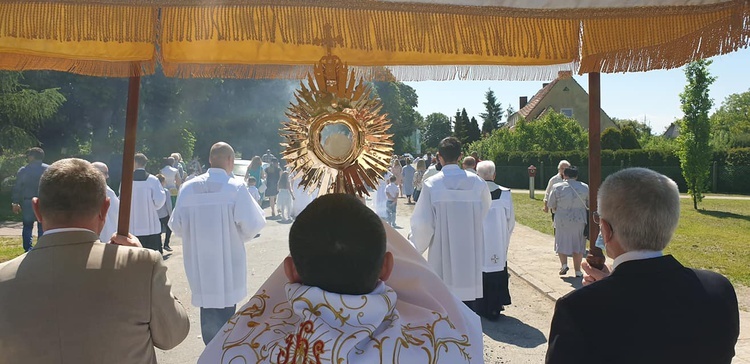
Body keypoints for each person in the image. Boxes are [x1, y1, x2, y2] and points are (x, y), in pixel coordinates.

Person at [198, 194, 483, 363]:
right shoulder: (440, 340)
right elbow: (468, 325)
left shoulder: (244, 344)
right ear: (387, 267)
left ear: (290, 270)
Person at [0, 158, 189, 363]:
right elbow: (173, 334)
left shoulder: (3, 277)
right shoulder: (140, 266)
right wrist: (140, 259)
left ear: (36, 209)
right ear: (105, 209)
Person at [546, 168, 740, 364]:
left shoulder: (577, 309)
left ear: (605, 229)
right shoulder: (719, 290)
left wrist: (608, 289)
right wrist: (612, 284)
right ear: (671, 223)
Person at [169, 142, 266, 346]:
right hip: (228, 262)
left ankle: (210, 352)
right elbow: (253, 225)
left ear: (210, 160)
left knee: (208, 310)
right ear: (230, 160)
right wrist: (235, 235)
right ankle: (224, 353)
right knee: (227, 312)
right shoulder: (236, 187)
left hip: (200, 264)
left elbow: (176, 227)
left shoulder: (188, 188)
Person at [410, 137, 491, 304]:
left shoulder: (432, 184)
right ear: (460, 156)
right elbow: (484, 210)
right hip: (470, 253)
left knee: (444, 312)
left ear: (439, 157)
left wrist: (412, 247)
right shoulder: (477, 183)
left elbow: (423, 224)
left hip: (442, 256)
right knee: (468, 311)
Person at [474, 161, 515, 320]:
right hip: (498, 241)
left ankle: (480, 305)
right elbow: (511, 221)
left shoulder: (474, 194)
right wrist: (505, 237)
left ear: (478, 176)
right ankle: (496, 305)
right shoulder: (505, 193)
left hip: (478, 242)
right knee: (497, 270)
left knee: (481, 272)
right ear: (494, 175)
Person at [547, 166, 589, 277]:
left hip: (562, 219)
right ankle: (577, 270)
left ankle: (564, 265)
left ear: (564, 175)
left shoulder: (557, 187)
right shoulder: (585, 187)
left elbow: (551, 204)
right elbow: (589, 204)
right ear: (576, 175)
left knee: (561, 241)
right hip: (579, 219)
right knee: (578, 244)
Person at [127, 153, 166, 254]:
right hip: (151, 226)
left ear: (135, 162)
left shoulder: (127, 180)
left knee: (135, 256)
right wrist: (152, 208)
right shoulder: (153, 180)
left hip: (133, 226)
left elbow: (123, 200)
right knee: (152, 255)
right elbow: (160, 200)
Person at [11, 147, 48, 252]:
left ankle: (28, 249)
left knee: (27, 226)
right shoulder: (48, 169)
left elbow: (18, 187)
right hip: (44, 201)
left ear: (32, 157)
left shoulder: (24, 170)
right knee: (43, 226)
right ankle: (41, 247)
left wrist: (15, 202)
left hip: (28, 201)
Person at [92, 161, 119, 243]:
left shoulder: (108, 191)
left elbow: (116, 214)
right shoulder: (103, 190)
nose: (107, 176)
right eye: (105, 173)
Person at [155, 174, 174, 252]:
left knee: (158, 232)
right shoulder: (165, 191)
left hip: (156, 215)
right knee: (169, 229)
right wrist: (171, 214)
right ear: (162, 182)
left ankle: (159, 247)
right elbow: (168, 204)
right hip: (165, 214)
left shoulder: (153, 190)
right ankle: (166, 244)